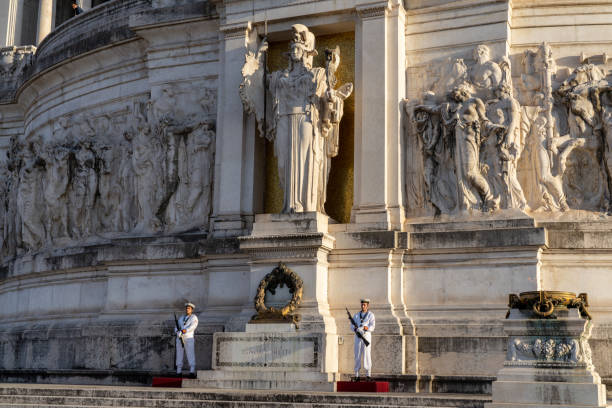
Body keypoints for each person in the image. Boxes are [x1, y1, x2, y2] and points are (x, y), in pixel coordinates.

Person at [350, 298, 375, 380]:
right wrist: (355, 328)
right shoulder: (356, 315)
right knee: (357, 355)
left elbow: (372, 327)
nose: (363, 306)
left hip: (366, 337)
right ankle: (357, 375)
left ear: (367, 305)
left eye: (364, 305)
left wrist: (365, 327)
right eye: (362, 304)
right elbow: (351, 326)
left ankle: (368, 374)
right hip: (358, 337)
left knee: (367, 354)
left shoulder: (370, 315)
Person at [175, 302, 199, 376]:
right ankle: (179, 371)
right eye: (186, 308)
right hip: (180, 338)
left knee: (190, 353)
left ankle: (192, 371)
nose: (187, 309)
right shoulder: (181, 318)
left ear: (192, 310)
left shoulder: (193, 317)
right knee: (179, 354)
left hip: (188, 338)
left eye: (189, 308)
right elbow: (176, 326)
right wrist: (177, 331)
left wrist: (183, 331)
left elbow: (192, 327)